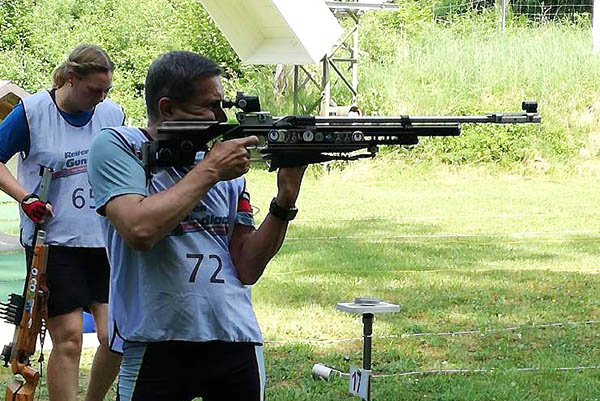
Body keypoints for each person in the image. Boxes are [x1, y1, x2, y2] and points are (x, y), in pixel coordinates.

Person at [87, 50, 306, 401]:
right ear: (168, 109)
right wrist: (211, 171)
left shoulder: (219, 164)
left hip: (234, 334)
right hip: (153, 337)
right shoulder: (119, 144)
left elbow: (247, 266)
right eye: (210, 106)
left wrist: (284, 200)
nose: (221, 117)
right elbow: (139, 229)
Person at [0, 44, 124, 401]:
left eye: (106, 91)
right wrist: (26, 197)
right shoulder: (32, 112)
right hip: (53, 242)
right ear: (71, 78)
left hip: (105, 238)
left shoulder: (112, 114)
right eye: (93, 90)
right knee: (68, 339)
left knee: (114, 335)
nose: (100, 99)